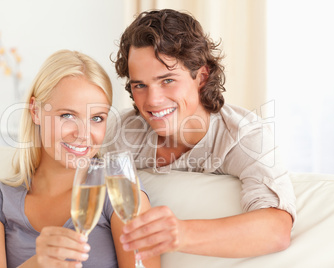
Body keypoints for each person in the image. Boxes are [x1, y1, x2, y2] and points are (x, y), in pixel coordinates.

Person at [102, 9, 296, 261]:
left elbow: (276, 230)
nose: (152, 100)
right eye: (140, 85)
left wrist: (180, 233)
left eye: (167, 80)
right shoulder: (120, 135)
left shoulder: (242, 135)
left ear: (201, 76)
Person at [0, 50, 161, 268]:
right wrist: (37, 264)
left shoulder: (118, 187)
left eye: (97, 118)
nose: (83, 134)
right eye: (67, 115)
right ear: (36, 111)